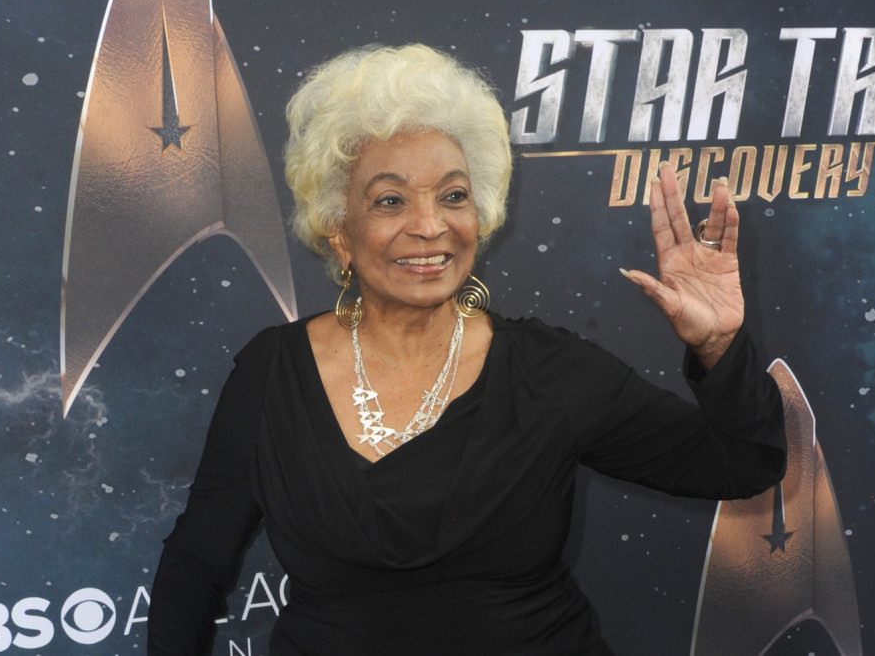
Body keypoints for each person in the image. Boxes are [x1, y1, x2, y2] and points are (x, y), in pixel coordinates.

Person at [147, 44, 785, 655]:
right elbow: (197, 563)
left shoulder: (550, 372)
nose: (430, 225)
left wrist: (718, 346)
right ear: (339, 233)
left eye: (453, 195)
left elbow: (740, 466)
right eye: (390, 200)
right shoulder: (272, 375)